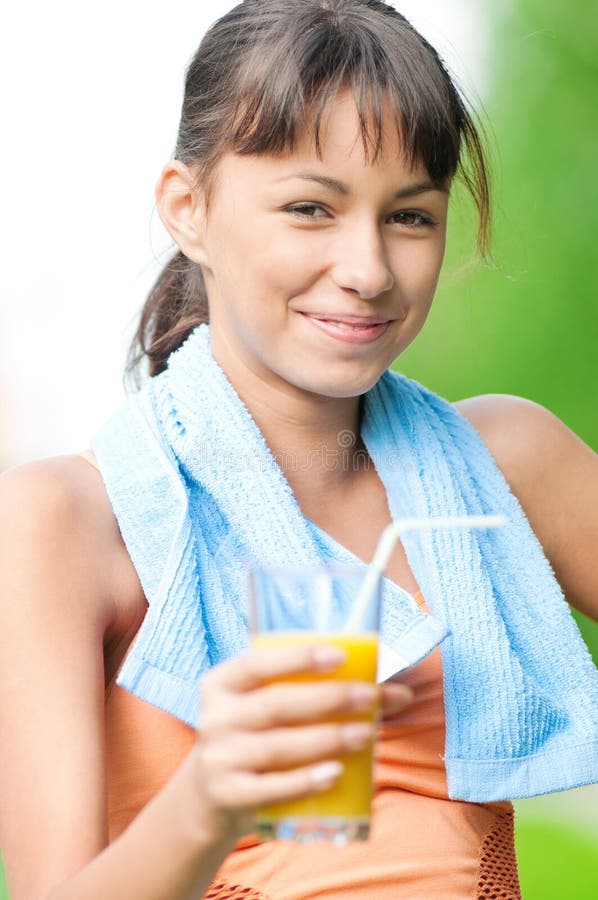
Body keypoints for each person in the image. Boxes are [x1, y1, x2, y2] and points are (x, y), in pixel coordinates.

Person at [1, 1, 597, 898]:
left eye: (410, 217)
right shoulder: (67, 521)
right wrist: (210, 796)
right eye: (310, 208)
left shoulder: (506, 465)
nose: (367, 269)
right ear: (187, 209)